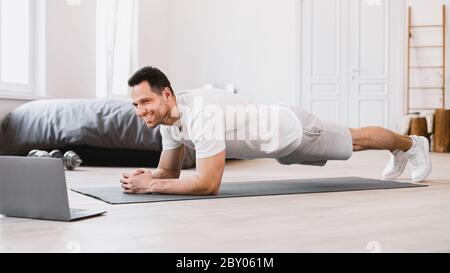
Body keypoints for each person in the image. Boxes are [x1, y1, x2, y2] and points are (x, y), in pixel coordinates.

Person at [120, 66, 432, 195]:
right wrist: (146, 177)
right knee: (355, 137)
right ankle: (402, 147)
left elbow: (208, 183)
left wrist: (150, 187)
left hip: (292, 131)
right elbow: (168, 172)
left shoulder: (202, 113)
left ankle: (412, 144)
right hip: (277, 142)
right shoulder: (168, 121)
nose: (140, 111)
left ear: (167, 94)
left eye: (145, 101)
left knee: (358, 140)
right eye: (135, 105)